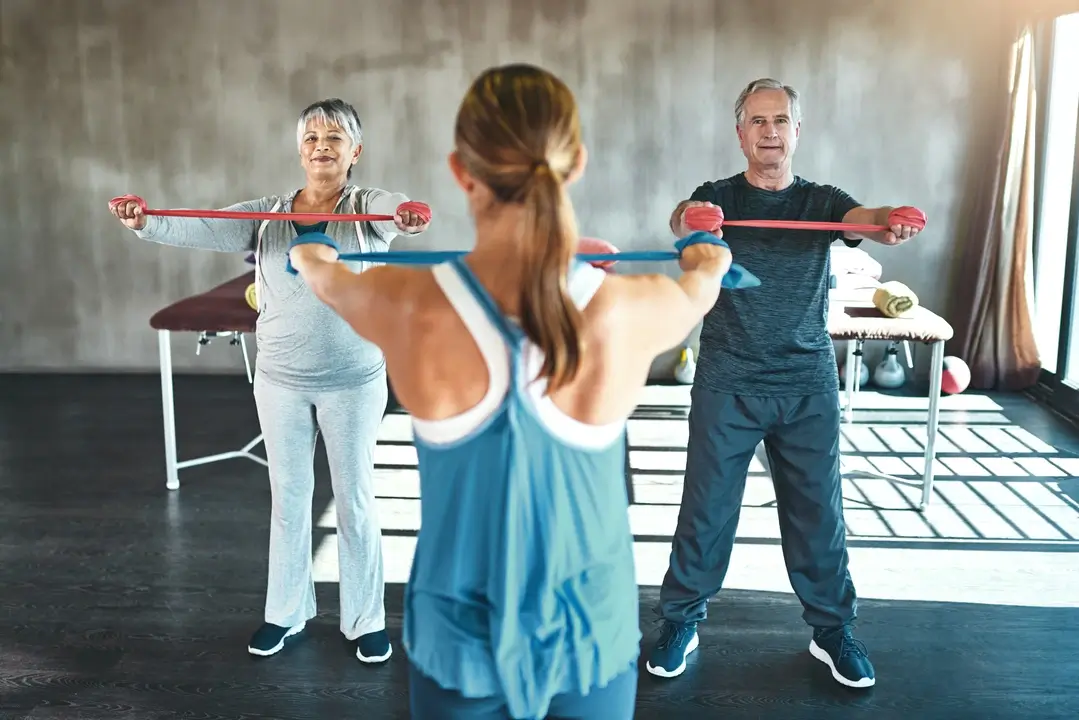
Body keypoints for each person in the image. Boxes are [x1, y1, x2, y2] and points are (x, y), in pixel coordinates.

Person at [286, 63, 735, 719]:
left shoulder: (406, 305)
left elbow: (325, 275)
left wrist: (312, 253)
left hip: (455, 641)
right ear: (574, 163)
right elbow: (703, 282)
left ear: (460, 170)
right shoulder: (633, 309)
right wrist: (704, 251)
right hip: (588, 635)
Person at [108, 98, 431, 663]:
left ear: (355, 151)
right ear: (299, 150)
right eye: (310, 137)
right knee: (290, 498)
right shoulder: (268, 213)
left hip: (352, 381)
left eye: (335, 136)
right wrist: (145, 222)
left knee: (354, 500)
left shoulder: (365, 208)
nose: (321, 145)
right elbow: (205, 227)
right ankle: (285, 613)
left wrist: (407, 215)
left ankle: (365, 620)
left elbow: (392, 208)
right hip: (280, 379)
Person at [645, 78, 926, 689]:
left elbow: (865, 219)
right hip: (728, 379)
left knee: (817, 514)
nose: (770, 132)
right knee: (705, 513)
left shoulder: (823, 201)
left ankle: (832, 630)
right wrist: (695, 222)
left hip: (806, 382)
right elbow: (681, 223)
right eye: (758, 121)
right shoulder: (715, 196)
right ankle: (680, 622)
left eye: (781, 121)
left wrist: (889, 222)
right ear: (740, 132)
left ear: (797, 131)